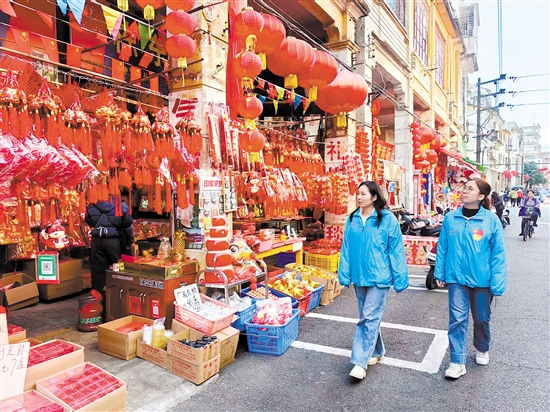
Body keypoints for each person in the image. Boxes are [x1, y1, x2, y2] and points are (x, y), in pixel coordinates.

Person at [434, 179, 507, 379]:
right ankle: (457, 361)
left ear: (481, 196)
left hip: (482, 280)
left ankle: (482, 347)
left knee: (482, 319)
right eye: (463, 188)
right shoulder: (451, 218)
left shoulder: (491, 221)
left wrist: (498, 282)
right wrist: (439, 272)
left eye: (470, 189)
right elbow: (443, 247)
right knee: (457, 319)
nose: (464, 191)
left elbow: (498, 253)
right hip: (456, 278)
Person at [338, 181, 409, 380]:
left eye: (363, 194)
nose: (359, 197)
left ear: (374, 197)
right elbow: (346, 248)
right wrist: (344, 273)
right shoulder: (352, 218)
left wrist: (400, 277)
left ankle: (359, 362)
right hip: (359, 276)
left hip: (380, 276)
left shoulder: (387, 220)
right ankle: (377, 351)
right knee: (368, 317)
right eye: (357, 194)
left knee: (368, 317)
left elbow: (396, 250)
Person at [85, 197, 134, 296]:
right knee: (117, 268)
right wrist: (130, 240)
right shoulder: (121, 205)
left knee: (98, 270)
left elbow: (89, 220)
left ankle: (99, 298)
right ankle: (117, 294)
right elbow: (128, 223)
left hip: (97, 240)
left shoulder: (91, 205)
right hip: (114, 241)